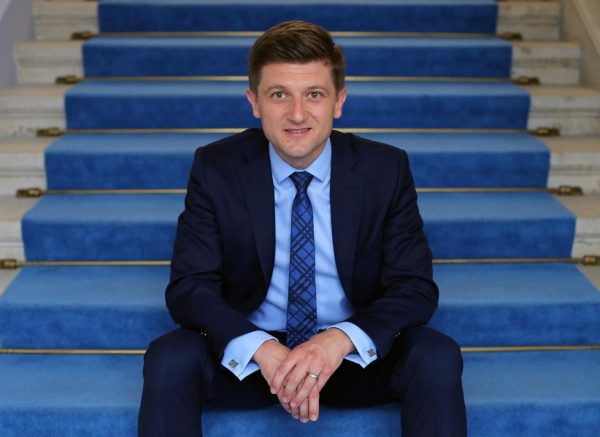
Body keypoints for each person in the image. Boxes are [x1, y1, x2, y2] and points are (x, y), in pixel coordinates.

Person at [138, 20, 467, 437]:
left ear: (339, 101)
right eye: (279, 95)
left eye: (314, 94)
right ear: (254, 102)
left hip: (349, 356)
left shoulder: (385, 169)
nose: (297, 114)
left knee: (435, 354)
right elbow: (190, 287)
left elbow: (414, 287)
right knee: (170, 356)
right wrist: (262, 348)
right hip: (255, 359)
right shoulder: (216, 167)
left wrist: (337, 340)